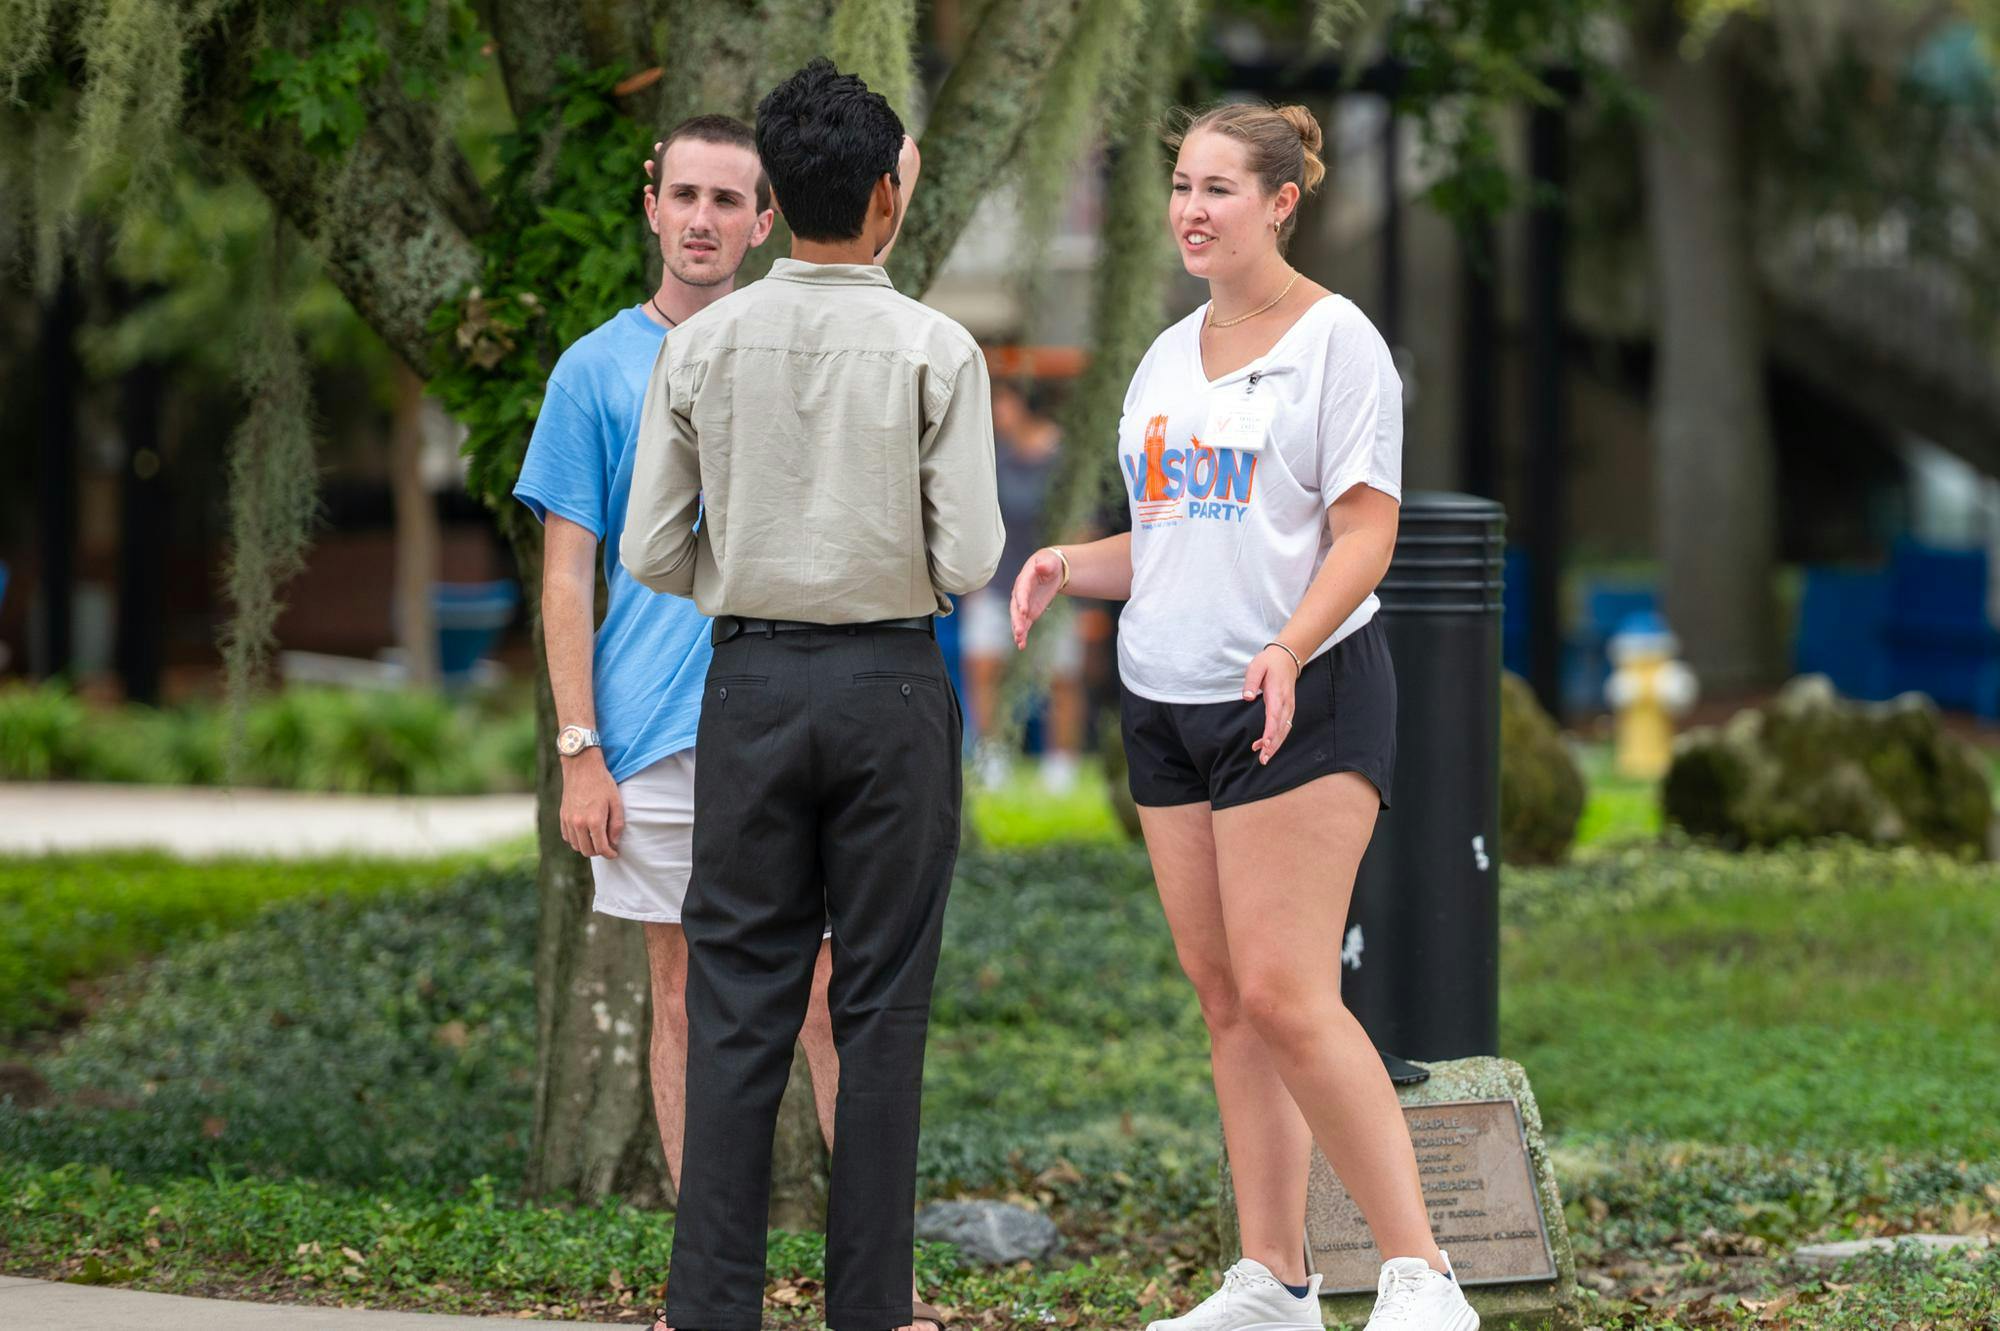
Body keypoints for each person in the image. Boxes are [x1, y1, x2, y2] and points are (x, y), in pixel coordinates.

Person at [1009, 102, 1481, 1331]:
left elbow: (1363, 531)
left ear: (1282, 201)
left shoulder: (1338, 342)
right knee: (1224, 997)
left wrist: (1282, 645)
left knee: (1285, 991)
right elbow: (1174, 536)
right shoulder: (1165, 356)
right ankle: (1271, 1281)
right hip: (1164, 705)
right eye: (1179, 185)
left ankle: (1422, 1275)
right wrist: (1070, 560)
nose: (1190, 209)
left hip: (1300, 691)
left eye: (1219, 187)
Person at [513, 111, 938, 1331]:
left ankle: (878, 1284)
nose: (701, 219)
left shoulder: (824, 336)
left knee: (825, 998)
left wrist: (880, 163)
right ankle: (709, 1287)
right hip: (654, 734)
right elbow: (566, 576)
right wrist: (579, 747)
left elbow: (889, 181)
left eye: (728, 199)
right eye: (682, 194)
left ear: (769, 218)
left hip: (812, 710)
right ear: (650, 205)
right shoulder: (595, 368)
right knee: (687, 996)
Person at [622, 58, 1003, 1331]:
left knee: (736, 992)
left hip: (750, 679)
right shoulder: (936, 347)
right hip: (892, 679)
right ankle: (871, 1311)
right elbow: (968, 559)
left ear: (772, 197)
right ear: (889, 195)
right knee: (879, 1002)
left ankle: (708, 1307)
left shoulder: (703, 341)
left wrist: (743, 563)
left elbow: (648, 552)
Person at [960, 377, 1086, 791]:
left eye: (1001, 403)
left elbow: (1083, 523)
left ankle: (1061, 768)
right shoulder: (993, 456)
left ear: (1021, 403)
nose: (994, 413)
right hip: (997, 586)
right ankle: (992, 759)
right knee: (983, 667)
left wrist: (1075, 584)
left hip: (1055, 588)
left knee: (1060, 678)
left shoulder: (1064, 456)